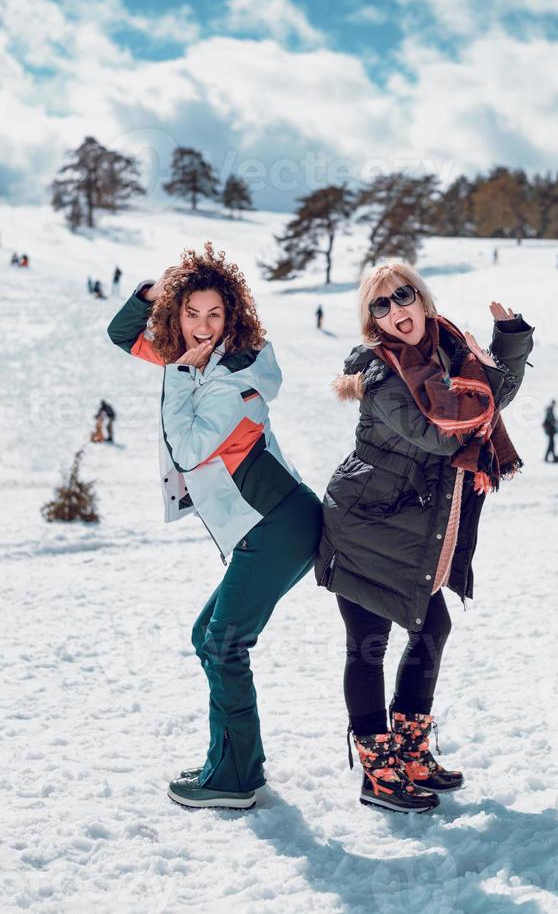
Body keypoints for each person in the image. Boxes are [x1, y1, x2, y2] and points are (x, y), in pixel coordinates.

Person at [107, 242, 322, 810]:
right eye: (190, 313)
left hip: (277, 523)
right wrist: (150, 295)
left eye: (215, 314)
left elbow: (190, 446)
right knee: (210, 638)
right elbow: (121, 334)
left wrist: (178, 371)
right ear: (177, 315)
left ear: (233, 318)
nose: (202, 327)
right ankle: (236, 764)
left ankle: (232, 780)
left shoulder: (230, 372)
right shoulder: (193, 356)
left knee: (223, 644)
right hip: (270, 524)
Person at [315, 260, 534, 813]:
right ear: (372, 322)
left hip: (409, 526)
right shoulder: (380, 373)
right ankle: (377, 770)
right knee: (368, 644)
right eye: (379, 306)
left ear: (422, 298)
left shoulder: (452, 351)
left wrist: (510, 340)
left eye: (402, 296)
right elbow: (443, 432)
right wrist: (492, 371)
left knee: (430, 626)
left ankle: (410, 751)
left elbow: (488, 398)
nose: (395, 312)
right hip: (366, 525)